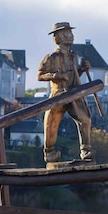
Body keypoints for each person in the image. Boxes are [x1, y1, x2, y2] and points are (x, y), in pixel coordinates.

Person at [37, 22, 92, 163]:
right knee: (51, 124)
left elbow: (74, 77)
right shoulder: (51, 57)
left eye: (71, 33)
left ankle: (86, 150)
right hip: (58, 95)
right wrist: (55, 76)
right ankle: (49, 153)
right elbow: (40, 75)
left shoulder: (74, 56)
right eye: (66, 34)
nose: (70, 36)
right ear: (58, 37)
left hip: (73, 94)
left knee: (85, 119)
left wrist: (82, 69)